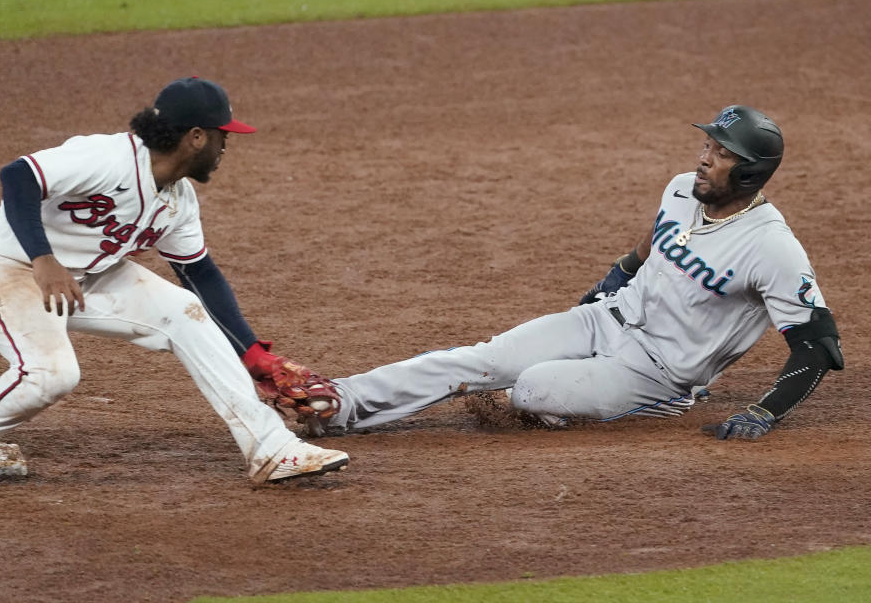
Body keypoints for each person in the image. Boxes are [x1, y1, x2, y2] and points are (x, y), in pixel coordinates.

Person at [268, 105, 843, 441]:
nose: (704, 157)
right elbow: (650, 246)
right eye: (707, 145)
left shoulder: (772, 247)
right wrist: (604, 289)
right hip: (605, 321)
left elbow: (818, 346)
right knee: (481, 359)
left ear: (749, 173)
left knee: (533, 390)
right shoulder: (680, 190)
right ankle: (340, 404)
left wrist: (767, 412)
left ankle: (650, 398)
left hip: (661, 373)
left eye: (720, 153)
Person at [0, 77, 349, 497]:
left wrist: (254, 355)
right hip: (11, 267)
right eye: (222, 137)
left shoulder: (178, 201)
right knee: (53, 375)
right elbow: (18, 176)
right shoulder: (108, 158)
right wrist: (44, 259)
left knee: (185, 312)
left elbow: (200, 275)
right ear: (196, 137)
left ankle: (272, 450)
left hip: (86, 277)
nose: (225, 147)